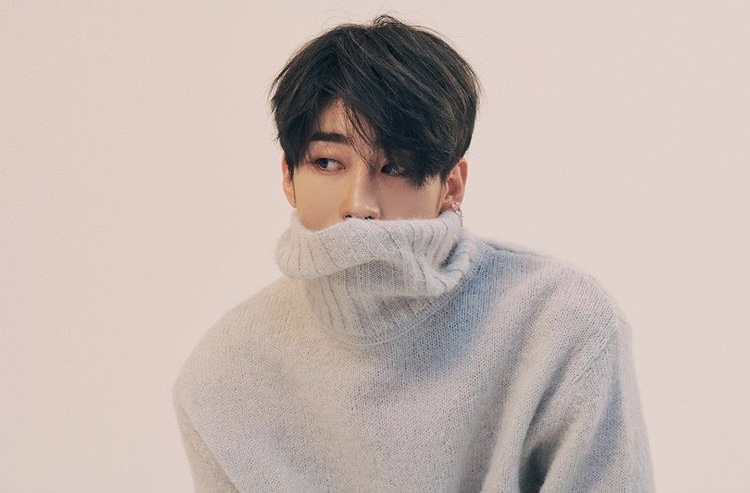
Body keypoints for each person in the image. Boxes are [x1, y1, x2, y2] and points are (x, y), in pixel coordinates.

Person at [173, 15, 654, 492]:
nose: (358, 204)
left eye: (395, 167)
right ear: (288, 177)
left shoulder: (561, 324)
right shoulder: (224, 373)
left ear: (452, 185)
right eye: (327, 162)